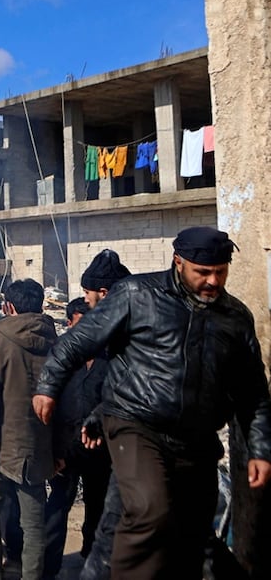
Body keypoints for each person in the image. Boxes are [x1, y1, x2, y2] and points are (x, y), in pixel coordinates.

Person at [34, 227, 271, 579]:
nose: (212, 281)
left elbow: (253, 393)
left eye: (220, 272)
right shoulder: (136, 294)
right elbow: (76, 343)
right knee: (150, 509)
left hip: (196, 442)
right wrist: (48, 387)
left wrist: (260, 449)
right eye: (202, 272)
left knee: (181, 533)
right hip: (136, 425)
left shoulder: (234, 317)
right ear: (178, 262)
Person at [0, 279, 58, 580]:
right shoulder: (55, 341)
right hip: (38, 446)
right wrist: (58, 449)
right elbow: (64, 400)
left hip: (0, 444)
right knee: (34, 521)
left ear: (9, 306)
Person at [42, 298, 110, 580]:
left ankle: (89, 557)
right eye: (82, 324)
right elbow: (48, 401)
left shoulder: (109, 358)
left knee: (98, 506)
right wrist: (53, 449)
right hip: (65, 448)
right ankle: (48, 567)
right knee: (58, 506)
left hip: (99, 448)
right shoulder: (60, 356)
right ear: (69, 323)